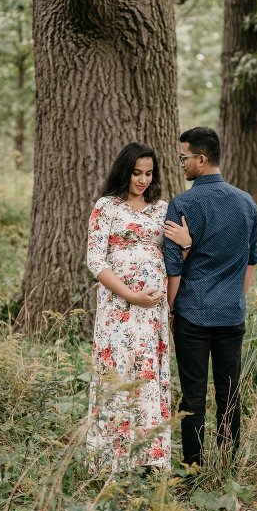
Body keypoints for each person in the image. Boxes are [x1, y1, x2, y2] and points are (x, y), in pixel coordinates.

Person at [86, 142, 191, 472]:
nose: (143, 180)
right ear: (124, 171)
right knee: (119, 372)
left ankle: (150, 459)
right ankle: (112, 460)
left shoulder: (163, 210)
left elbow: (175, 257)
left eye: (148, 173)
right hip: (118, 309)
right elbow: (95, 259)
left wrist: (186, 245)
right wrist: (130, 295)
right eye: (136, 173)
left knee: (148, 374)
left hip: (153, 313)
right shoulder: (107, 207)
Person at [164, 126, 257, 470]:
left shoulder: (183, 204)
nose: (181, 163)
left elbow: (173, 268)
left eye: (183, 157)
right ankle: (229, 464)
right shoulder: (247, 202)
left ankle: (193, 468)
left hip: (192, 314)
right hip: (232, 313)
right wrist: (236, 298)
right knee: (229, 390)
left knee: (192, 394)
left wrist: (172, 310)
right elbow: (252, 260)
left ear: (201, 159)